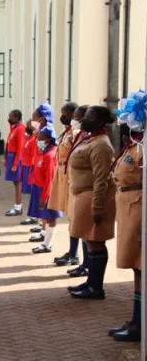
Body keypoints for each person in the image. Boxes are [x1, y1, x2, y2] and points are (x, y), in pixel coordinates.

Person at [67, 106, 116, 299]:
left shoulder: (101, 144)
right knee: (89, 240)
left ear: (100, 122)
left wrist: (97, 207)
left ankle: (96, 288)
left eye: (89, 117)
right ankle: (90, 282)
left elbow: (101, 179)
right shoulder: (90, 138)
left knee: (96, 242)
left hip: (93, 197)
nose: (84, 119)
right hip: (82, 196)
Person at [108, 124, 142, 341]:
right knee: (135, 266)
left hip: (139, 210)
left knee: (140, 266)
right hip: (129, 207)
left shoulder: (142, 148)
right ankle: (137, 320)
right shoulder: (134, 146)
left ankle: (140, 324)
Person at [50, 103, 85, 267]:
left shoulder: (76, 134)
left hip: (72, 176)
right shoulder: (67, 131)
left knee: (76, 217)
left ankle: (76, 255)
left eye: (64, 113)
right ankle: (72, 252)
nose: (62, 116)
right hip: (64, 175)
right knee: (71, 216)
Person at [27, 126, 62, 254]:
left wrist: (44, 196)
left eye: (40, 138)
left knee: (51, 217)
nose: (38, 141)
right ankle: (45, 241)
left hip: (46, 190)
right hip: (39, 188)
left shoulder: (50, 155)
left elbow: (50, 179)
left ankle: (47, 244)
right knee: (45, 217)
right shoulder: (44, 152)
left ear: (48, 139)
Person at [66, 106, 91, 278]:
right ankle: (82, 262)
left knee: (85, 232)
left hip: (86, 190)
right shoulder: (80, 136)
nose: (73, 120)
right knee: (77, 226)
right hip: (75, 187)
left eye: (77, 117)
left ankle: (87, 266)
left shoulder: (91, 139)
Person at [28, 102, 55, 243]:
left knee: (46, 209)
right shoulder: (40, 131)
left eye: (35, 117)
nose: (33, 120)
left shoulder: (47, 131)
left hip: (43, 169)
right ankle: (42, 228)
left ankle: (45, 233)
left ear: (42, 118)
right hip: (38, 168)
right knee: (41, 208)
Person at [4, 110, 26, 215]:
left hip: (16, 157)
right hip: (11, 156)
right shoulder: (14, 128)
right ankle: (17, 205)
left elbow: (20, 147)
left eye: (11, 117)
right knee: (15, 182)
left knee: (17, 182)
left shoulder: (21, 129)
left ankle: (18, 206)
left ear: (16, 118)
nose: (9, 119)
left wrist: (16, 163)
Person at [19, 119, 40, 225]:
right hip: (26, 166)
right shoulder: (30, 138)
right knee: (31, 194)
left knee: (34, 193)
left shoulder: (34, 140)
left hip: (31, 167)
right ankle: (33, 215)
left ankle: (36, 216)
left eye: (28, 125)